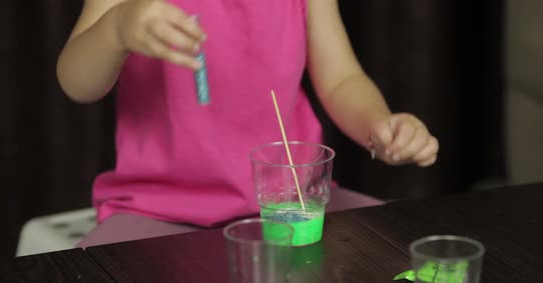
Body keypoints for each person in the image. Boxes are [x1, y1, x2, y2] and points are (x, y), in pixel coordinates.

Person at [56, 0, 439, 247]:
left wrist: (381, 125)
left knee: (401, 259)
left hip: (293, 202)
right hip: (157, 211)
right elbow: (77, 83)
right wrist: (117, 28)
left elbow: (340, 80)